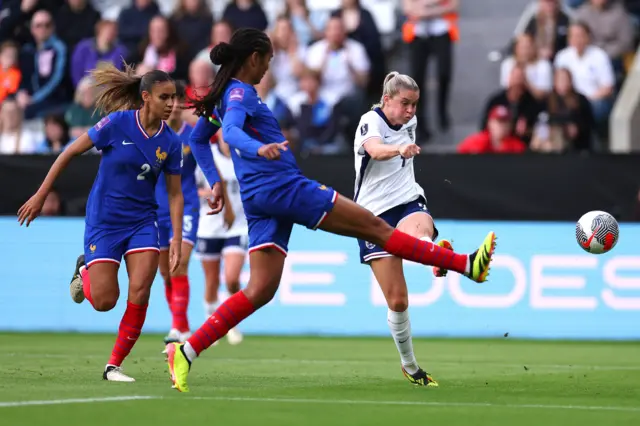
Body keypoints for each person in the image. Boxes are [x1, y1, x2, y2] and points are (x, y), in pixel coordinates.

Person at [166, 28, 497, 393]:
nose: (269, 67)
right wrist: (257, 150)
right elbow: (229, 133)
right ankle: (466, 265)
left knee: (259, 289)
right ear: (254, 59)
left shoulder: (229, 94)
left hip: (258, 200)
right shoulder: (242, 93)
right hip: (284, 188)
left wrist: (214, 181)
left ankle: (188, 350)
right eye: (268, 60)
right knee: (378, 230)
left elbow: (199, 138)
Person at [17, 63, 197, 383]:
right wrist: (41, 194)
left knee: (141, 290)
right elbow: (69, 152)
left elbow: (174, 195)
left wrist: (178, 240)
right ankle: (85, 269)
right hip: (105, 220)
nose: (172, 104)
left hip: (143, 221)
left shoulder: (170, 142)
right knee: (104, 302)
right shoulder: (116, 124)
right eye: (164, 97)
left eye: (174, 98)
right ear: (146, 98)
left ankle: (113, 365)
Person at [353, 71, 454, 387]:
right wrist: (399, 150)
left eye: (415, 105)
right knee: (397, 301)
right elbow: (374, 150)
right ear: (387, 100)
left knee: (419, 233)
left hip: (407, 199)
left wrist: (402, 149)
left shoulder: (407, 122)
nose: (411, 111)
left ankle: (434, 254)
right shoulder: (371, 120)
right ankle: (410, 366)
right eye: (405, 103)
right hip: (372, 214)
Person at [155, 81, 197, 345]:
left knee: (179, 265)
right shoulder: (152, 135)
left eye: (178, 101)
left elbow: (209, 162)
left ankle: (175, 328)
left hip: (188, 204)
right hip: (157, 208)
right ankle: (183, 326)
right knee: (165, 271)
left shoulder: (193, 135)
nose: (174, 106)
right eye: (169, 101)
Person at [195, 136, 247, 346]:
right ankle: (210, 323)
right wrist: (210, 192)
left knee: (232, 278)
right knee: (212, 281)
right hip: (209, 226)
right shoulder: (208, 158)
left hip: (238, 225)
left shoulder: (243, 159)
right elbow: (189, 188)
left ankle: (231, 323)